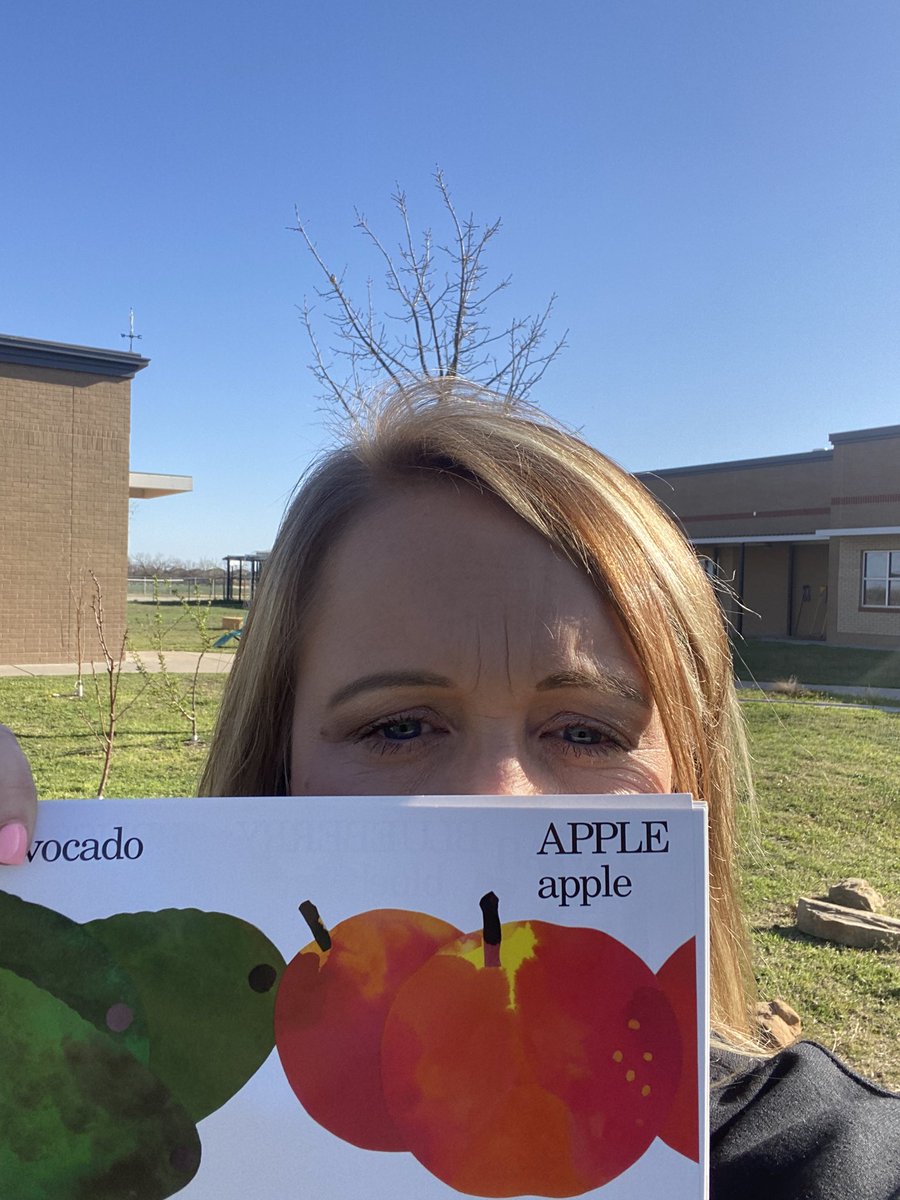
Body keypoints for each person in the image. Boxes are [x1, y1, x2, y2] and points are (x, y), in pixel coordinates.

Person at [1, 380, 898, 1198]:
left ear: (688, 776)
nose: (499, 800)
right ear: (273, 773)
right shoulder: (109, 1120)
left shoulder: (820, 1164)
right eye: (397, 726)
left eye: (588, 732)